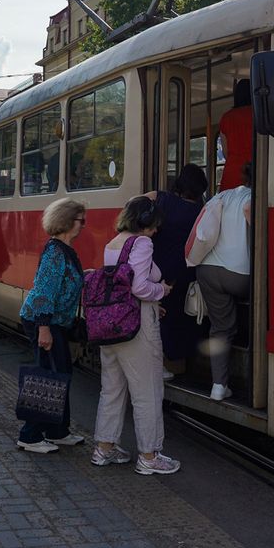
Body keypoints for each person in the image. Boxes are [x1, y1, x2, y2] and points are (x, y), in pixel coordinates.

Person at [91, 196, 180, 476]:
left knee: (112, 389)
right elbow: (140, 287)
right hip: (137, 327)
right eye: (154, 225)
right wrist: (161, 292)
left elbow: (119, 287)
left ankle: (103, 449)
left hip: (111, 324)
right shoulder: (142, 243)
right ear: (145, 221)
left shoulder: (113, 243)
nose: (155, 231)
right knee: (148, 391)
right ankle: (149, 455)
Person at [17, 198, 87, 453]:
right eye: (81, 220)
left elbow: (65, 281)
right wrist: (44, 328)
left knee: (61, 373)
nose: (84, 226)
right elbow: (45, 291)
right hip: (42, 320)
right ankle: (30, 435)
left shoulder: (64, 250)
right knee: (46, 376)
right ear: (68, 221)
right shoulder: (55, 251)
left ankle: (57, 431)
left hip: (53, 321)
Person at [194, 162, 253, 402]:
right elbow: (250, 212)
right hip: (239, 273)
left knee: (221, 328)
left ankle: (218, 386)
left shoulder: (223, 195)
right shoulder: (254, 196)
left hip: (208, 269)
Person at [142, 163, 209, 373]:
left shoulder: (162, 199)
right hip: (185, 272)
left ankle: (159, 362)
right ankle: (178, 361)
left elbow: (134, 204)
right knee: (180, 316)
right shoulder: (202, 210)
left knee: (159, 315)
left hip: (158, 266)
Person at [218, 79, 253, 191]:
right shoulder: (258, 115)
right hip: (254, 173)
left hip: (231, 174)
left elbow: (225, 152)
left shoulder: (226, 118)